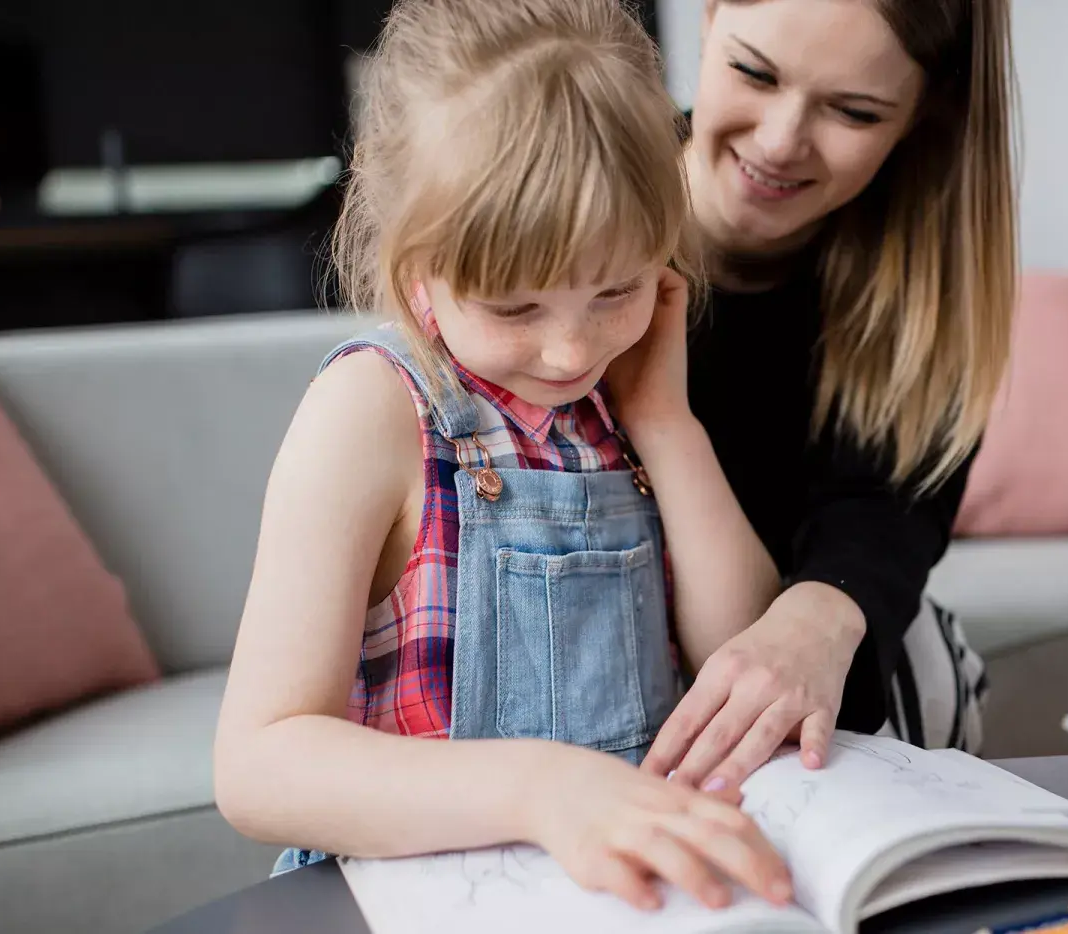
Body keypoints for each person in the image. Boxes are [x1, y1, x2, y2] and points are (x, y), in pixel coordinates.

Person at [213, 0, 794, 913]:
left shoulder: (623, 398)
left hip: (618, 896)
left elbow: (738, 654)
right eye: (516, 308)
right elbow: (259, 763)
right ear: (417, 268)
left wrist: (669, 426)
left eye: (619, 288)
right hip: (420, 901)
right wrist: (540, 789)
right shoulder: (372, 410)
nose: (570, 353)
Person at [640, 0, 1017, 792]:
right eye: (753, 72)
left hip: (816, 633)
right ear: (707, 21)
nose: (779, 143)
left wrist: (818, 618)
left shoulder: (923, 290)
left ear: (921, 116)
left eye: (854, 111)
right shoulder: (578, 198)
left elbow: (881, 522)